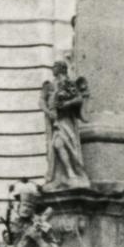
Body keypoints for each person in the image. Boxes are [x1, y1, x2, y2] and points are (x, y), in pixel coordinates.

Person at [41, 60, 91, 189]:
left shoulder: (69, 83)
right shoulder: (50, 85)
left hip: (66, 121)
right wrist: (48, 111)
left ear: (61, 69)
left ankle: (73, 173)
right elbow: (41, 101)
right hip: (56, 122)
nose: (53, 69)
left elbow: (79, 99)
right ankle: (68, 173)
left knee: (68, 146)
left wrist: (67, 104)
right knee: (57, 144)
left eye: (55, 67)